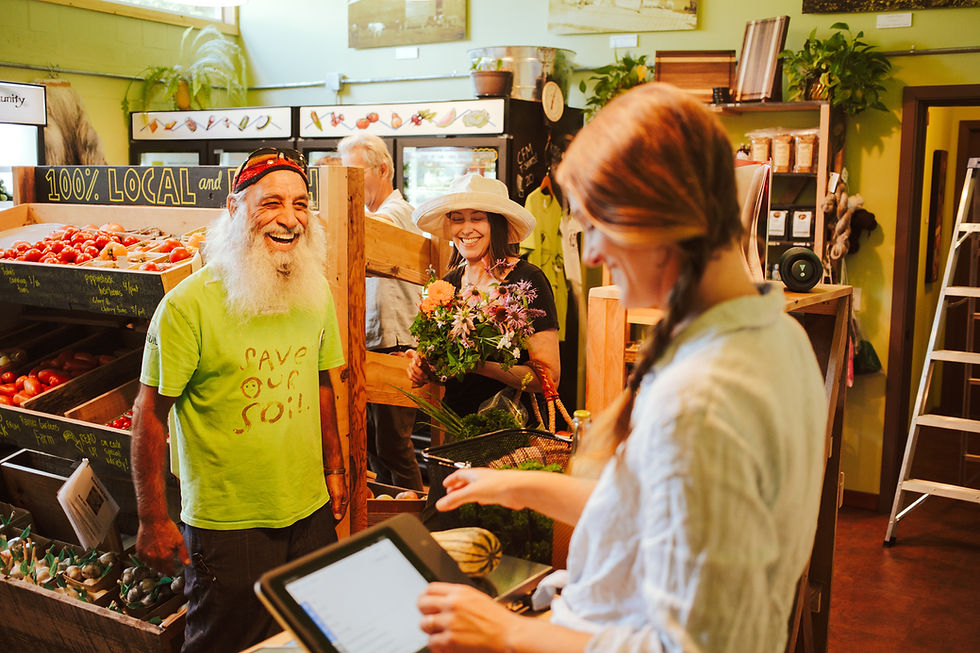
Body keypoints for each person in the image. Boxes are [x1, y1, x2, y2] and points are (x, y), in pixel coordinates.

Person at [415, 83, 828, 652]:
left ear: (659, 217)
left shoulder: (705, 399)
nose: (591, 253)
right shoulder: (775, 334)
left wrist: (505, 631)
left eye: (600, 224)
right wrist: (522, 486)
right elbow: (654, 509)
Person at [130, 148, 349, 653]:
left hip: (309, 508)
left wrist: (334, 470)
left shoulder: (314, 293)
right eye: (270, 203)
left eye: (300, 203)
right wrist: (152, 518)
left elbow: (320, 384)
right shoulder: (187, 307)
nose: (289, 218)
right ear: (234, 209)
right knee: (225, 643)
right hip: (228, 521)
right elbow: (149, 415)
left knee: (313, 635)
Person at [407, 173, 561, 420]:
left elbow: (549, 377)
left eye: (477, 218)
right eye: (458, 220)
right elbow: (447, 368)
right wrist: (424, 367)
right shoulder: (446, 286)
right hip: (457, 424)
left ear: (497, 224)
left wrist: (480, 365)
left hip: (512, 428)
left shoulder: (526, 280)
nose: (466, 229)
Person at [339, 133, 424, 491]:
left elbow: (369, 232)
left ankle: (415, 518)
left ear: (383, 169)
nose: (349, 185)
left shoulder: (397, 213)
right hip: (372, 344)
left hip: (398, 346)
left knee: (393, 447)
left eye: (355, 176)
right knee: (374, 448)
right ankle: (388, 519)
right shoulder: (373, 213)